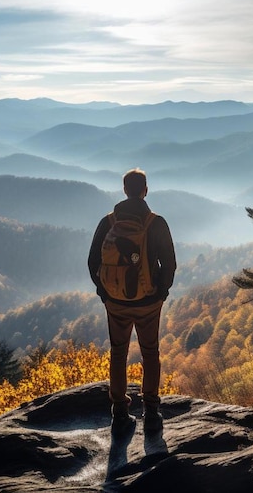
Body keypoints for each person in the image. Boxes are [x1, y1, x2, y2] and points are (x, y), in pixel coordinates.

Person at [88, 168, 176, 432]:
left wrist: (104, 292)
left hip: (116, 302)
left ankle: (119, 411)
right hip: (149, 302)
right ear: (145, 190)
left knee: (118, 352)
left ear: (125, 190)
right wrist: (161, 292)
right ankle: (151, 410)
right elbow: (169, 264)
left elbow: (93, 261)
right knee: (150, 353)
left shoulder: (108, 222)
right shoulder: (155, 222)